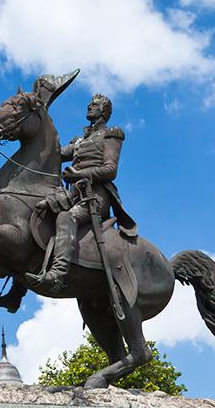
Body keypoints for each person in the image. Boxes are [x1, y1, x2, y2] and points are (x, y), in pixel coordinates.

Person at [27, 93, 136, 293]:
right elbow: (54, 154)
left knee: (66, 218)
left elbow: (110, 170)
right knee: (36, 213)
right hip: (73, 195)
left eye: (94, 105)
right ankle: (17, 291)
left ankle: (57, 274)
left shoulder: (111, 133)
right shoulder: (79, 140)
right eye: (89, 104)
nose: (89, 107)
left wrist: (79, 174)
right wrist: (36, 122)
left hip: (95, 196)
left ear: (104, 111)